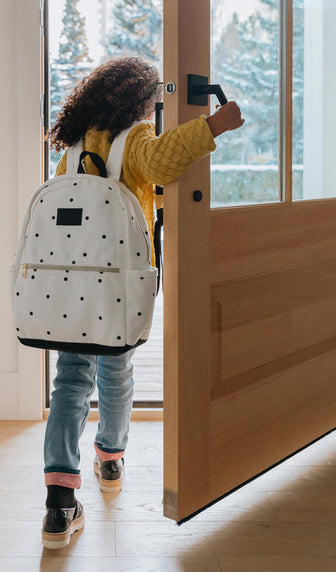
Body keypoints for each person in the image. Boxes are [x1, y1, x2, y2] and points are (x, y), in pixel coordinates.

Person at [42, 56, 244, 549]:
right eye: (155, 97)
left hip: (68, 280)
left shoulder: (71, 147)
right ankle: (110, 458)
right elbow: (160, 162)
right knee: (116, 370)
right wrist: (215, 124)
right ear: (139, 98)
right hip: (119, 280)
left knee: (70, 379)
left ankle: (59, 503)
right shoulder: (133, 140)